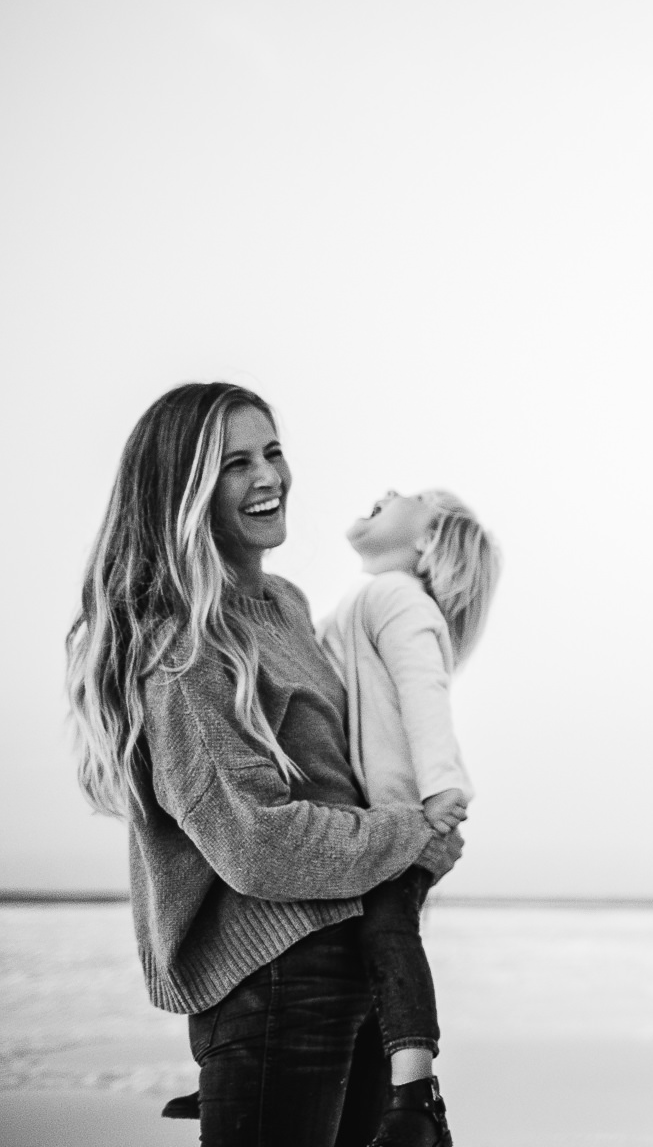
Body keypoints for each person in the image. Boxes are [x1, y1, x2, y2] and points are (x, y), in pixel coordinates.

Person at [65, 382, 462, 1147]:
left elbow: (344, 770)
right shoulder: (182, 648)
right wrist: (409, 834)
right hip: (277, 980)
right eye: (235, 463)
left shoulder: (283, 604)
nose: (269, 477)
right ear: (183, 491)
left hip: (351, 963)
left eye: (273, 452)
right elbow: (254, 844)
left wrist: (418, 825)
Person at [317, 488, 500, 1147]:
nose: (390, 492)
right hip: (387, 814)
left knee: (387, 934)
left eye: (413, 498)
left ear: (426, 542)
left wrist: (439, 789)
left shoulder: (400, 599)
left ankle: (416, 1093)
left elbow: (426, 691)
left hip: (408, 810)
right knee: (364, 949)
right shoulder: (368, 600)